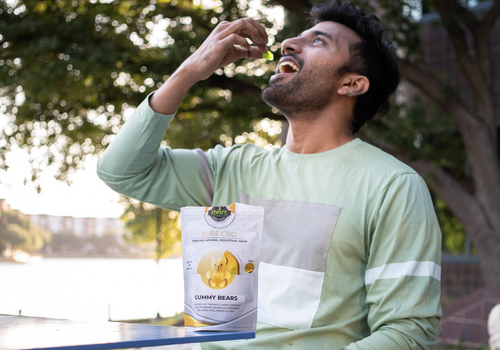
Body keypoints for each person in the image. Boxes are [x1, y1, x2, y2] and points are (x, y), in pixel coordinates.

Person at [97, 1, 442, 349]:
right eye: (297, 37)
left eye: (319, 41)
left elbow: (407, 332)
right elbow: (122, 171)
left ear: (351, 83)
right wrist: (189, 71)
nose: (288, 43)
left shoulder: (392, 186)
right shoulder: (230, 168)